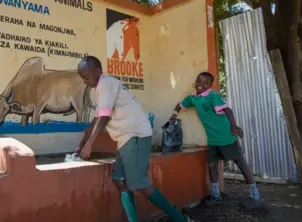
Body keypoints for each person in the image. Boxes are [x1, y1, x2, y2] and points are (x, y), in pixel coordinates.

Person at [76, 56, 193, 222]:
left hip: (135, 135)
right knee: (119, 180)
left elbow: (104, 118)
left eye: (86, 77)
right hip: (126, 138)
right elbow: (96, 119)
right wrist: (82, 143)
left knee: (141, 184)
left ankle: (179, 218)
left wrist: (89, 145)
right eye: (82, 78)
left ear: (98, 72)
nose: (85, 82)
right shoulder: (101, 88)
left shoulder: (106, 85)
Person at [169, 72, 261, 209]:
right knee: (212, 165)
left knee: (240, 163)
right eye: (199, 81)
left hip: (226, 136)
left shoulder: (213, 96)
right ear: (195, 82)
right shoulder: (193, 98)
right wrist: (174, 114)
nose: (201, 85)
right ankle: (216, 195)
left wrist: (233, 125)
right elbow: (181, 105)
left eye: (206, 83)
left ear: (210, 85)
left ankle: (255, 195)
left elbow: (227, 110)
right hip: (212, 139)